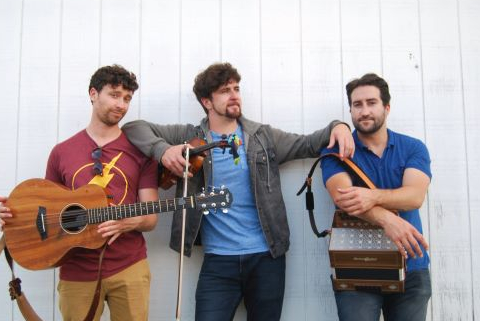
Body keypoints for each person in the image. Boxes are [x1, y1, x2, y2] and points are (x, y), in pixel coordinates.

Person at [121, 62, 355, 321]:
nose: (234, 95)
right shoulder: (190, 136)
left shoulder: (262, 137)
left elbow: (309, 144)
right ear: (207, 102)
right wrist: (164, 151)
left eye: (236, 88)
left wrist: (339, 125)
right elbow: (133, 128)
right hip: (218, 261)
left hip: (266, 258)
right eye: (224, 91)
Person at [0, 65, 159, 321]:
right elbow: (46, 209)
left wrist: (125, 223)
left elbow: (150, 217)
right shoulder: (62, 152)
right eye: (114, 95)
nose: (122, 104)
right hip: (76, 272)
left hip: (130, 267)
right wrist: (15, 213)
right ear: (93, 93)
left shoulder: (141, 151)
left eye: (127, 98)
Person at [320, 73, 432, 321]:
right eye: (357, 105)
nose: (364, 111)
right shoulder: (335, 152)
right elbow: (343, 199)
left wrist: (370, 197)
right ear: (350, 110)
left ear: (386, 107)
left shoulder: (413, 148)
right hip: (356, 268)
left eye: (371, 103)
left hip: (410, 265)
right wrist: (388, 219)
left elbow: (413, 197)